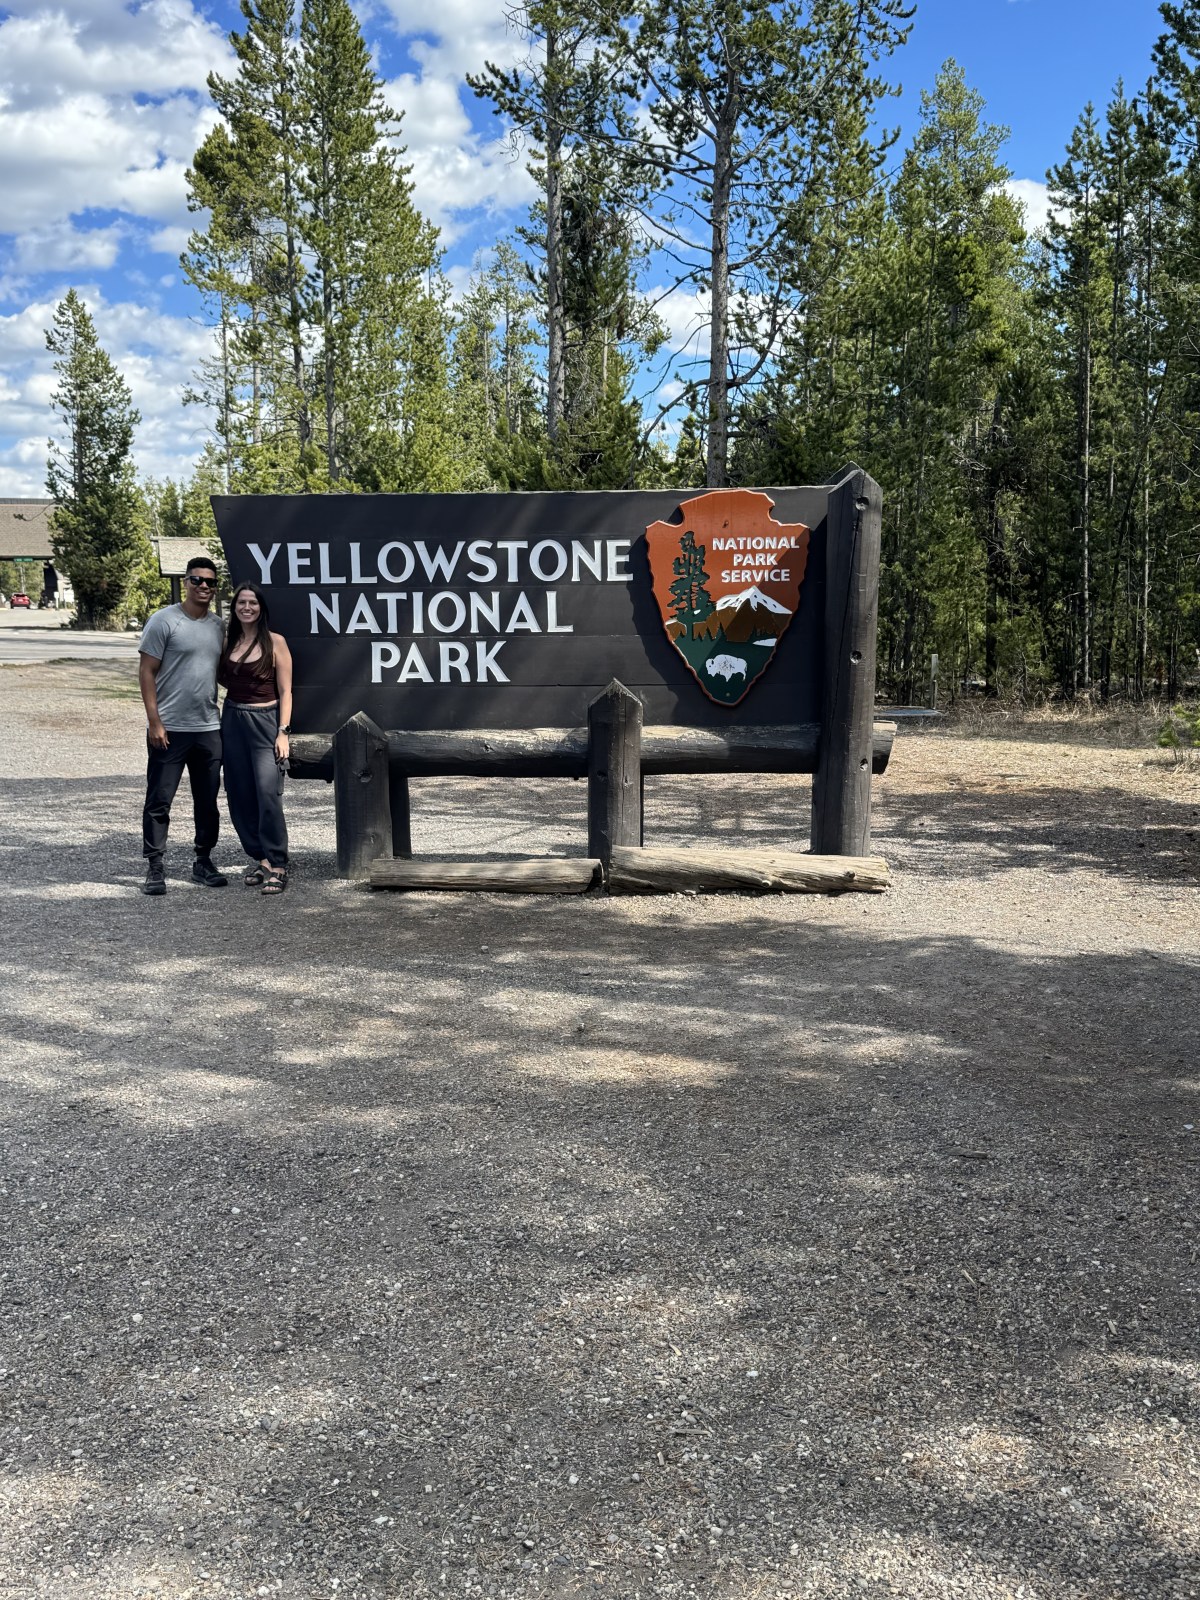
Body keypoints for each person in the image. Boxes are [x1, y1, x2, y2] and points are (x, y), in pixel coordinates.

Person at [138, 556, 227, 895]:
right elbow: (147, 671)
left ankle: (202, 861)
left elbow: (219, 672)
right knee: (160, 799)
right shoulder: (164, 621)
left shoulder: (218, 627)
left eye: (210, 581)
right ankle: (155, 866)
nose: (203, 586)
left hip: (207, 727)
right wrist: (154, 721)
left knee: (207, 801)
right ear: (186, 582)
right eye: (197, 580)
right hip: (170, 728)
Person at [218, 583, 293, 895]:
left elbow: (287, 691)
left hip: (265, 721)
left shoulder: (276, 642)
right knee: (239, 792)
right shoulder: (227, 641)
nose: (246, 607)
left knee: (267, 793)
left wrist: (283, 732)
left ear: (261, 608)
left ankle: (278, 864)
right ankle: (260, 858)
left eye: (252, 603)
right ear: (234, 607)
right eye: (241, 602)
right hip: (233, 718)